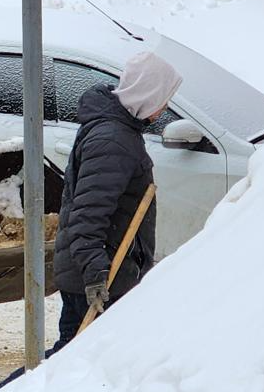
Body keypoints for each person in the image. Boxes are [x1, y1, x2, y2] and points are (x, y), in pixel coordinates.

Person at [51, 51, 183, 353]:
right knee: (66, 363)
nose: (164, 108)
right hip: (97, 277)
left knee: (71, 363)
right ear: (148, 95)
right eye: (163, 98)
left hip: (102, 271)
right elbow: (87, 217)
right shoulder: (114, 140)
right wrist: (96, 276)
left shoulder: (118, 129)